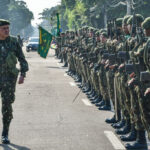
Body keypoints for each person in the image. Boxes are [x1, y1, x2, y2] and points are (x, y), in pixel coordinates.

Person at [0, 19, 29, 144]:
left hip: (9, 78)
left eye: (8, 28)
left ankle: (5, 132)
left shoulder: (13, 41)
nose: (7, 30)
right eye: (4, 28)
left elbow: (22, 59)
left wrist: (23, 73)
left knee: (7, 105)